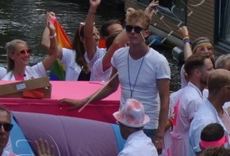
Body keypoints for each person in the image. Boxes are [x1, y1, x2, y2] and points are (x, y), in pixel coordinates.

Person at [61, 8, 170, 148]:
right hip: (124, 124)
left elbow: (165, 100)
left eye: (137, 29)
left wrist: (160, 136)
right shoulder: (119, 56)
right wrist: (83, 102)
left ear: (146, 33)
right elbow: (111, 86)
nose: (132, 32)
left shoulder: (159, 61)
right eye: (129, 28)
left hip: (148, 126)